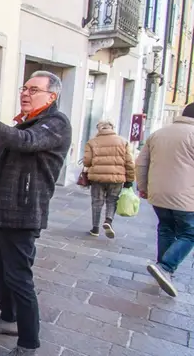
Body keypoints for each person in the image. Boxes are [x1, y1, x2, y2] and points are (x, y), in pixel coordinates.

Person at [0, 71, 72, 356]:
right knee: (0, 270)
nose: (25, 93)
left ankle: (28, 342)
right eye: (24, 88)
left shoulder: (55, 123)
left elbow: (24, 142)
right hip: (6, 210)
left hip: (24, 212)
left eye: (34, 89)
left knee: (19, 277)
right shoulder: (30, 121)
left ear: (51, 96)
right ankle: (8, 319)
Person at [135, 102, 194, 298]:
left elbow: (141, 163)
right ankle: (166, 267)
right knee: (189, 233)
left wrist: (143, 188)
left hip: (158, 194)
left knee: (166, 228)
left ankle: (163, 271)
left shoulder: (158, 133)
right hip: (186, 196)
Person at [83, 120, 135, 238]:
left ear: (99, 129)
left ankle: (95, 228)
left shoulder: (92, 142)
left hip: (97, 177)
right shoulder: (123, 142)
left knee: (97, 201)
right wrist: (130, 180)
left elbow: (87, 161)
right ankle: (108, 221)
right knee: (112, 200)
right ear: (112, 128)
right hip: (116, 178)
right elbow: (130, 163)